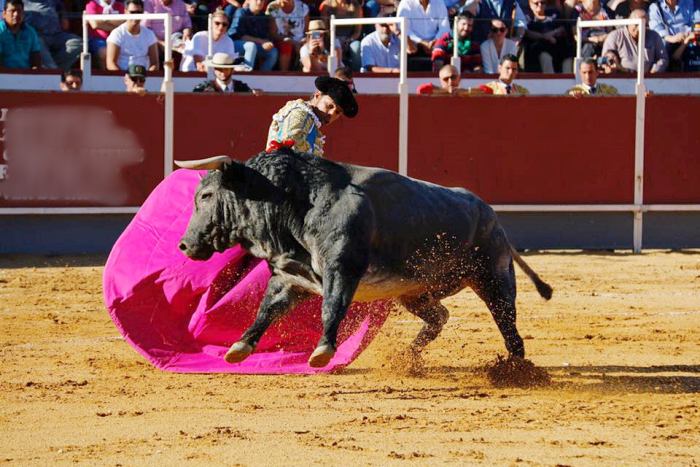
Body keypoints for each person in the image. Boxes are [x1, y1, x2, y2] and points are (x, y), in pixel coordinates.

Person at [266, 75, 358, 157]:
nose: (331, 114)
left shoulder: (310, 120)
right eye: (329, 106)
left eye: (337, 112)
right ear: (317, 95)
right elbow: (291, 146)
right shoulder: (300, 113)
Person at [602, 8, 668, 73]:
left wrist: (655, 70)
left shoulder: (654, 36)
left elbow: (663, 58)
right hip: (621, 78)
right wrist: (611, 63)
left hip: (648, 79)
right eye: (636, 24)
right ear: (629, 22)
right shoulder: (615, 36)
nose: (640, 28)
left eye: (644, 25)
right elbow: (606, 58)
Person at [22, 0, 81, 70]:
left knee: (79, 43)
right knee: (36, 42)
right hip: (37, 36)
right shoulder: (20, 2)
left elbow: (65, 23)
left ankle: (53, 70)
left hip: (56, 35)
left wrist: (63, 16)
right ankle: (53, 71)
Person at [106, 0, 159, 71]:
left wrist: (144, 79)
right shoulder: (116, 34)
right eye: (132, 12)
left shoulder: (149, 34)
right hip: (121, 78)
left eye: (139, 12)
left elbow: (155, 63)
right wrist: (126, 79)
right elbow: (110, 64)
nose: (135, 16)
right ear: (125, 12)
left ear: (143, 13)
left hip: (144, 78)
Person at [397, 0, 449, 70]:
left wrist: (435, 41)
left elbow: (445, 28)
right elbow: (403, 27)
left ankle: (438, 79)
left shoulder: (439, 2)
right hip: (413, 43)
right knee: (406, 47)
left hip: (434, 44)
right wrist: (421, 42)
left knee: (442, 52)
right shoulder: (406, 2)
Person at [523, 0, 573, 73]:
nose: (540, 5)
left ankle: (568, 81)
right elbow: (527, 32)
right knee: (545, 57)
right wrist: (544, 36)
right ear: (530, 4)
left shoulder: (554, 13)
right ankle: (551, 81)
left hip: (557, 45)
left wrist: (551, 34)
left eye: (542, 3)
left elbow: (562, 28)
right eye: (536, 3)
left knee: (568, 55)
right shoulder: (528, 17)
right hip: (539, 47)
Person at [228, 0, 278, 71]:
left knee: (273, 52)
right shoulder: (241, 12)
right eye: (256, 0)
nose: (259, 2)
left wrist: (267, 44)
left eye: (262, 1)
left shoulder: (262, 16)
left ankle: (261, 76)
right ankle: (247, 74)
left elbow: (265, 37)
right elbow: (240, 35)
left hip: (256, 44)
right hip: (235, 44)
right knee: (251, 46)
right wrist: (261, 41)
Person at [319, 0, 362, 71]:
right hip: (331, 39)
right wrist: (335, 41)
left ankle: (357, 74)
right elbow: (325, 29)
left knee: (356, 46)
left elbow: (357, 31)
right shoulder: (327, 5)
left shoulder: (356, 6)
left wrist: (349, 40)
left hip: (349, 40)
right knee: (335, 47)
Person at [649, 0, 695, 66]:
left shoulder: (689, 2)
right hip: (666, 45)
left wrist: (687, 36)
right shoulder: (655, 7)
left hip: (688, 41)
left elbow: (695, 23)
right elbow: (656, 30)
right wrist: (673, 38)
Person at [266, 0, 309, 71]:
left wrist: (303, 40)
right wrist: (292, 42)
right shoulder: (273, 7)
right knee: (286, 45)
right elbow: (273, 33)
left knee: (308, 47)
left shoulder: (302, 7)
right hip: (282, 39)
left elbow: (306, 31)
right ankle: (284, 75)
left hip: (301, 40)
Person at [462, 0, 528, 44]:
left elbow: (521, 23)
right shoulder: (477, 1)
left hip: (503, 46)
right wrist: (475, 2)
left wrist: (517, 38)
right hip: (481, 45)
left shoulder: (512, 2)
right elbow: (465, 15)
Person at [0, 0, 41, 69]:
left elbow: (36, 56)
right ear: (4, 14)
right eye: (12, 11)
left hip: (26, 75)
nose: (16, 14)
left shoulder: (31, 32)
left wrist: (35, 71)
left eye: (19, 11)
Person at [84, 0, 125, 69]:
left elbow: (124, 22)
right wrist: (115, 23)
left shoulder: (119, 5)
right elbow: (95, 24)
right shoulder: (92, 4)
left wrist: (104, 20)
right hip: (98, 39)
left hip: (118, 39)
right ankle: (108, 74)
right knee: (104, 52)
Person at [192, 52, 257, 92]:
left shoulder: (242, 88)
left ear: (232, 70)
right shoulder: (203, 88)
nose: (223, 73)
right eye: (219, 69)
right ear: (214, 70)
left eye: (226, 69)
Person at [416, 63, 486, 95]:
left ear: (459, 79)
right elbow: (421, 89)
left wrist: (464, 91)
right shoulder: (435, 93)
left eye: (453, 77)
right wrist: (445, 91)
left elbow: (487, 90)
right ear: (441, 80)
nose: (450, 81)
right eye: (446, 79)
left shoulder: (467, 93)